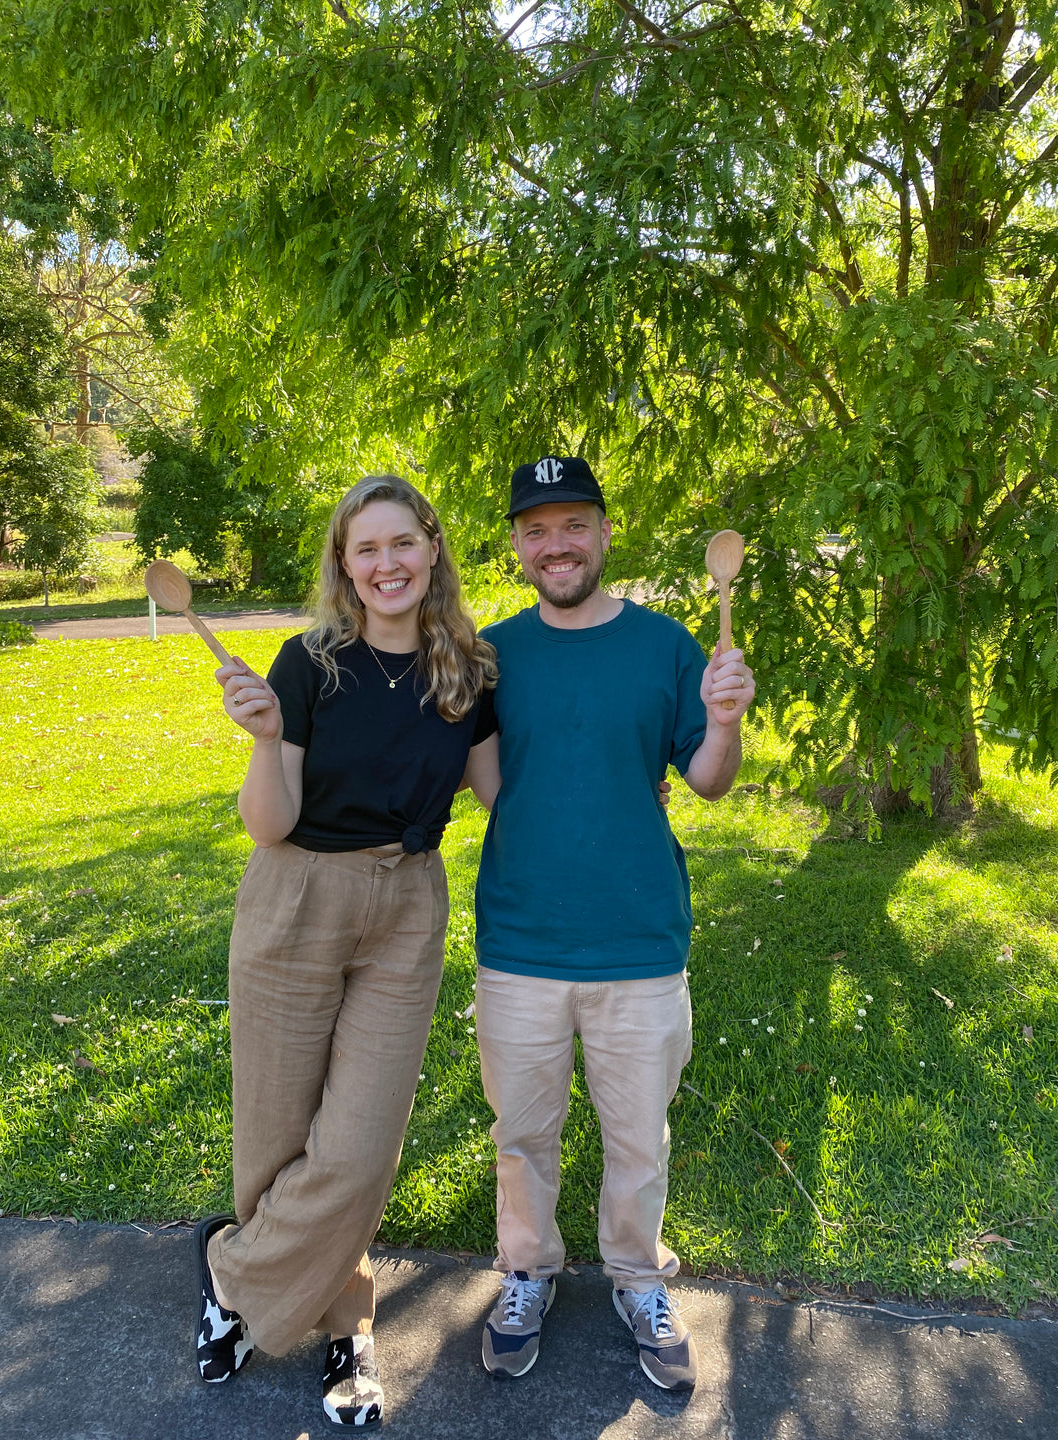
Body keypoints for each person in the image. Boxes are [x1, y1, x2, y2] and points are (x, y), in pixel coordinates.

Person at [193, 475, 498, 1428]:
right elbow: (269, 822)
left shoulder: (470, 673)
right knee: (277, 1142)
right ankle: (346, 1326)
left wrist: (622, 789)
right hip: (297, 896)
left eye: (401, 543)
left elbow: (505, 799)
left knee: (358, 1152)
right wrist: (265, 739)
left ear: (432, 548)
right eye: (364, 550)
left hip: (406, 908)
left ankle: (231, 1273)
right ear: (345, 565)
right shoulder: (309, 664)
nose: (386, 564)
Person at [471, 456, 755, 1392]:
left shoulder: (669, 647)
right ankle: (527, 1271)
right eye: (536, 528)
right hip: (521, 943)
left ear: (603, 532)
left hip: (639, 943)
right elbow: (486, 786)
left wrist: (724, 720)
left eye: (574, 524)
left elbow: (709, 781)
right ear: (517, 545)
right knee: (524, 1136)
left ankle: (638, 1277)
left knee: (639, 1139)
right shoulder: (493, 655)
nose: (556, 543)